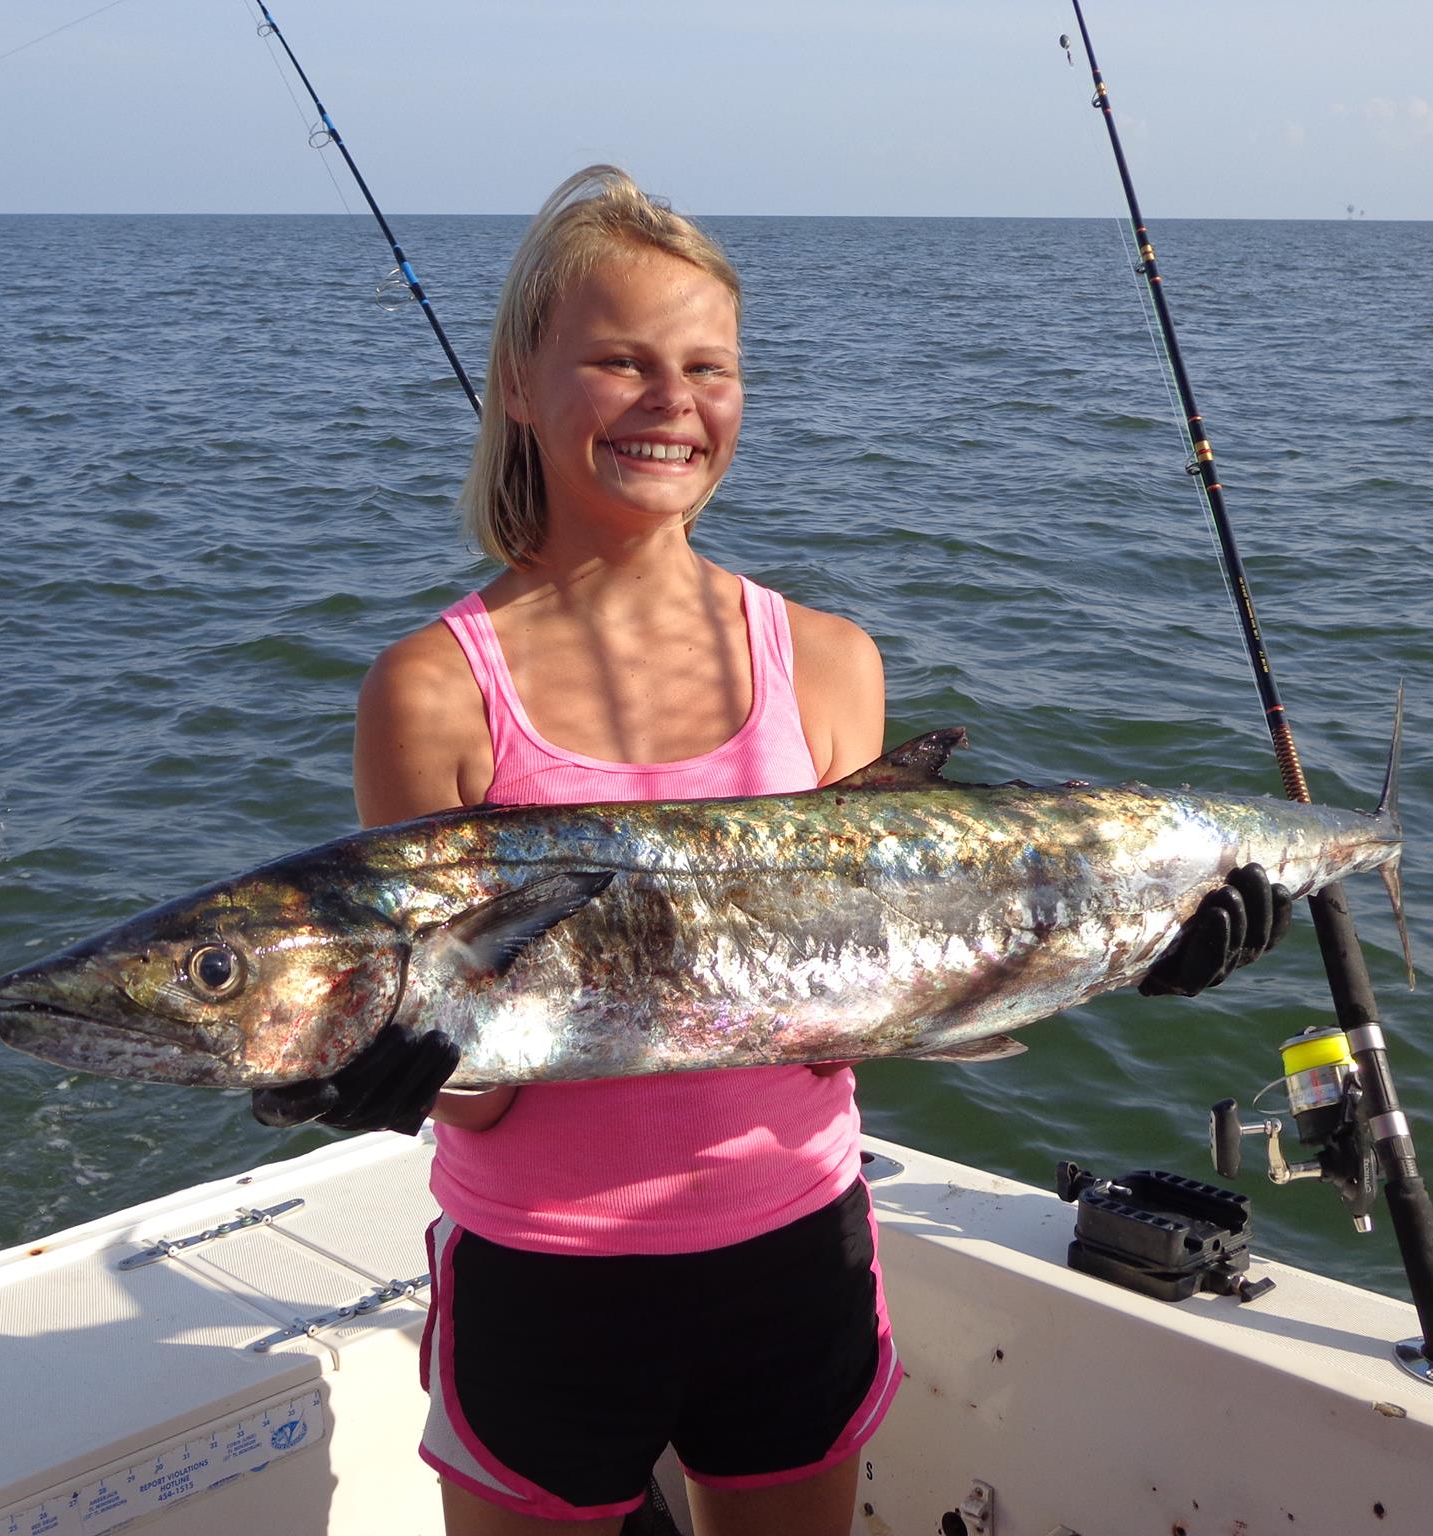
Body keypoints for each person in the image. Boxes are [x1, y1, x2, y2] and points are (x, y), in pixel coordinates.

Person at [252, 165, 1289, 1536]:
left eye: (707, 366)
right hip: (544, 1278)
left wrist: (1117, 953)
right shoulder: (435, 693)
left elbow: (867, 1005)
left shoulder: (829, 664)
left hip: (792, 1248)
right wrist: (379, 1068)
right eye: (619, 361)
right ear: (518, 380)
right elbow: (485, 1096)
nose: (671, 400)